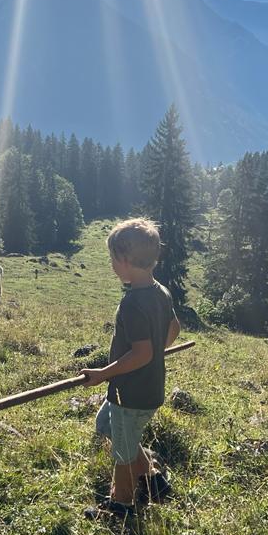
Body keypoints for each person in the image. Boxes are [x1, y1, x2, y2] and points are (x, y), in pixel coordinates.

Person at [81, 217, 181, 519]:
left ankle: (121, 505)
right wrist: (156, 354)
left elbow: (140, 353)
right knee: (109, 427)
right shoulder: (160, 291)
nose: (112, 265)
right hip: (147, 387)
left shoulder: (132, 304)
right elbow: (174, 327)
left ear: (124, 261)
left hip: (131, 393)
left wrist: (103, 374)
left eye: (113, 259)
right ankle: (154, 481)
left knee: (122, 454)